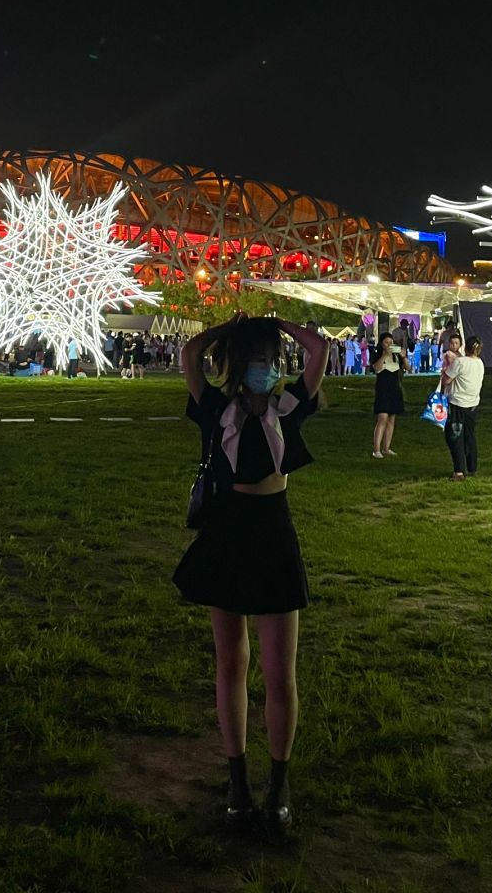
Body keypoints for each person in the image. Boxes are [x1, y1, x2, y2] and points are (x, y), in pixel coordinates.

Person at [174, 312, 328, 832]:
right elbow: (189, 354)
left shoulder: (287, 407)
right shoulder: (217, 408)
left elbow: (318, 352)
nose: (265, 367)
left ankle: (279, 789)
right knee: (230, 664)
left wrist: (278, 322)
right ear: (239, 364)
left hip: (272, 531)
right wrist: (231, 330)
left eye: (269, 359)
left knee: (280, 674)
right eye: (255, 359)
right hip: (228, 530)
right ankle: (238, 784)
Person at [442, 336, 484, 479]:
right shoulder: (480, 363)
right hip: (473, 403)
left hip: (457, 403)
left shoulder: (460, 362)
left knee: (455, 436)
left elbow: (446, 379)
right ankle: (472, 466)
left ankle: (459, 470)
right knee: (470, 435)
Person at [370, 332, 405, 458]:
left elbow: (408, 368)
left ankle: (386, 448)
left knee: (391, 419)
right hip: (383, 389)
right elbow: (376, 368)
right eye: (386, 342)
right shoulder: (378, 353)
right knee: (382, 418)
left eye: (391, 342)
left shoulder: (396, 356)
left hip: (394, 389)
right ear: (382, 343)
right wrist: (384, 355)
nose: (389, 345)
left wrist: (404, 357)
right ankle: (376, 449)